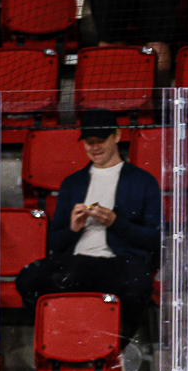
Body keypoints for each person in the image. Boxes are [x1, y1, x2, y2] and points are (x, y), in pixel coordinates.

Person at [13, 110, 160, 342]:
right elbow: (55, 242)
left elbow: (154, 239)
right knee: (28, 278)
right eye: (89, 142)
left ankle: (116, 347)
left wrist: (115, 223)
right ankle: (59, 339)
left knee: (138, 284)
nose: (94, 147)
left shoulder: (143, 181)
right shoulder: (73, 183)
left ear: (117, 136)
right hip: (79, 262)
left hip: (120, 263)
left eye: (100, 140)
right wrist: (73, 228)